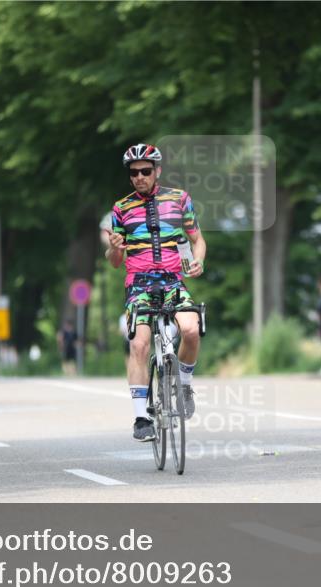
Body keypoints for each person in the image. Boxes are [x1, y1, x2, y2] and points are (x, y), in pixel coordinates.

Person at [105, 143, 206, 442]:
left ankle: (184, 385)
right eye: (134, 173)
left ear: (157, 171)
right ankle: (140, 418)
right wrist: (113, 248)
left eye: (145, 171)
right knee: (139, 344)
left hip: (173, 280)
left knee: (191, 329)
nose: (139, 177)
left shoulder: (179, 199)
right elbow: (114, 263)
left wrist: (198, 260)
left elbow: (197, 239)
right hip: (138, 285)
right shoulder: (120, 209)